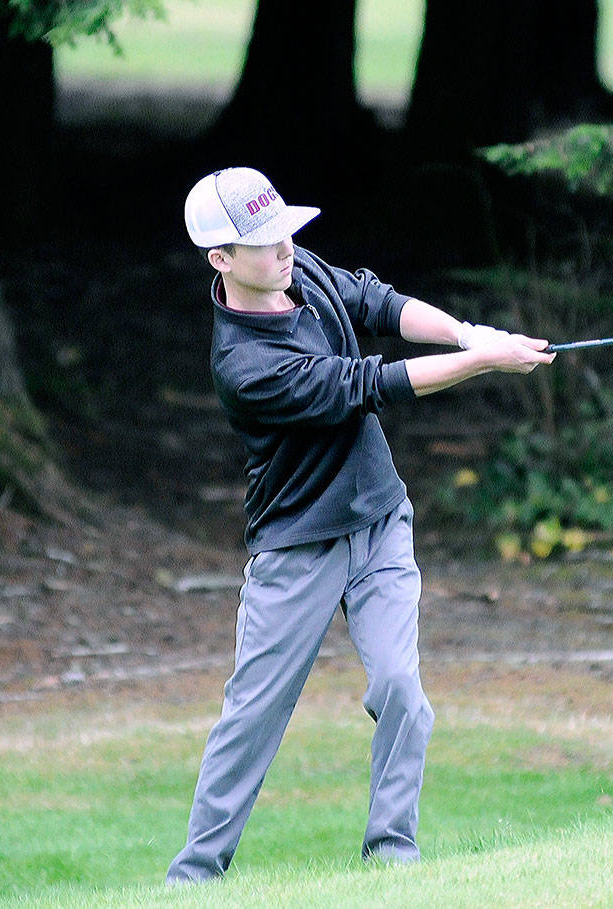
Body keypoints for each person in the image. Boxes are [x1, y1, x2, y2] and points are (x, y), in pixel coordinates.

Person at [166, 167, 554, 884]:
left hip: (378, 521)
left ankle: (392, 860)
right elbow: (368, 384)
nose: (284, 248)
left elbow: (379, 303)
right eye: (263, 241)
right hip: (297, 547)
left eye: (284, 230)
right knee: (252, 716)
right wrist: (483, 361)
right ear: (220, 258)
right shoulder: (244, 364)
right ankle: (193, 877)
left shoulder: (299, 266)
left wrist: (469, 331)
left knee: (402, 689)